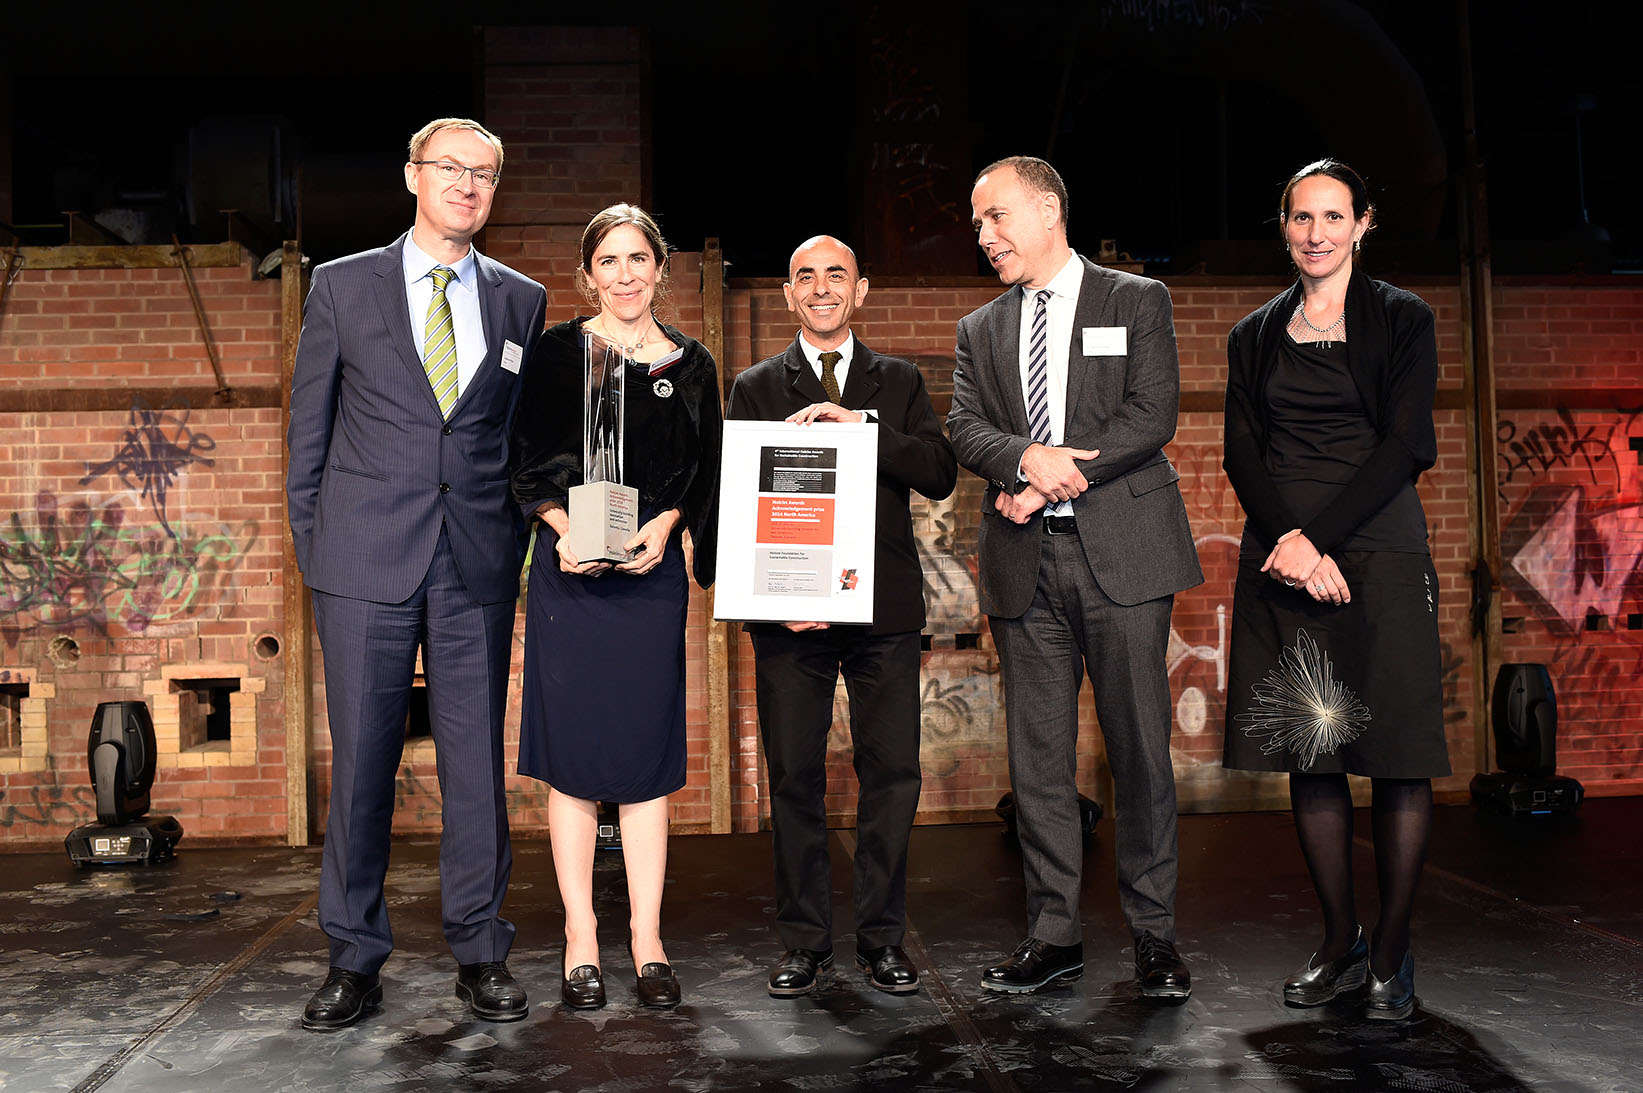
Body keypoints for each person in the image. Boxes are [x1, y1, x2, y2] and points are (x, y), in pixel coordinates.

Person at [286, 117, 547, 1030]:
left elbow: (516, 439)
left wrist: (515, 535)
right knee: (361, 765)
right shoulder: (343, 284)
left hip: (474, 559)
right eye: (450, 168)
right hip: (361, 561)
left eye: (484, 173)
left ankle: (480, 950)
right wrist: (318, 548)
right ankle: (354, 957)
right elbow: (308, 429)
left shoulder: (522, 299)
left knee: (476, 767)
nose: (467, 185)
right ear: (412, 175)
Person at [946, 156, 1203, 999]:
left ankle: (1154, 938)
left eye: (996, 217)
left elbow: (1150, 412)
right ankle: (1053, 933)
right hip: (1025, 565)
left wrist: (1058, 472)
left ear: (1048, 207)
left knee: (1138, 752)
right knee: (1039, 762)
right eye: (978, 222)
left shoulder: (1136, 300)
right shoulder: (980, 328)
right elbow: (963, 425)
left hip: (1122, 557)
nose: (984, 236)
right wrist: (1025, 459)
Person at [1221, 159, 1448, 1021]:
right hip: (1282, 558)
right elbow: (1244, 450)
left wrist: (1318, 539)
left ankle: (1391, 949)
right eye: (1300, 217)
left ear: (1362, 225)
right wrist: (1288, 539)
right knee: (1309, 756)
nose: (1314, 232)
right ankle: (1340, 938)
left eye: (1332, 216)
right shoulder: (1251, 333)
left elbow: (1407, 443)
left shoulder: (1402, 318)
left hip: (1377, 554)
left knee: (1393, 756)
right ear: (1282, 227)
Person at [726, 236, 957, 998]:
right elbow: (739, 508)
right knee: (793, 777)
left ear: (859, 290)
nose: (821, 288)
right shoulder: (757, 386)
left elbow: (938, 470)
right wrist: (772, 600)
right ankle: (804, 941)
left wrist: (862, 427)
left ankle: (882, 940)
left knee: (890, 774)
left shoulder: (897, 380)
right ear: (788, 294)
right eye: (804, 277)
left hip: (882, 614)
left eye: (836, 275)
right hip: (789, 621)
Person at [510, 203, 720, 1012]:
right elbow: (526, 459)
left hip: (649, 580)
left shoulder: (691, 364)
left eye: (639, 259)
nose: (625, 274)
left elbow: (704, 471)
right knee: (570, 765)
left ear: (660, 269)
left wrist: (668, 526)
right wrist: (561, 530)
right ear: (587, 273)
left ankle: (646, 938)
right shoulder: (560, 353)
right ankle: (580, 939)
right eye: (610, 261)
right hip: (569, 579)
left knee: (642, 765)